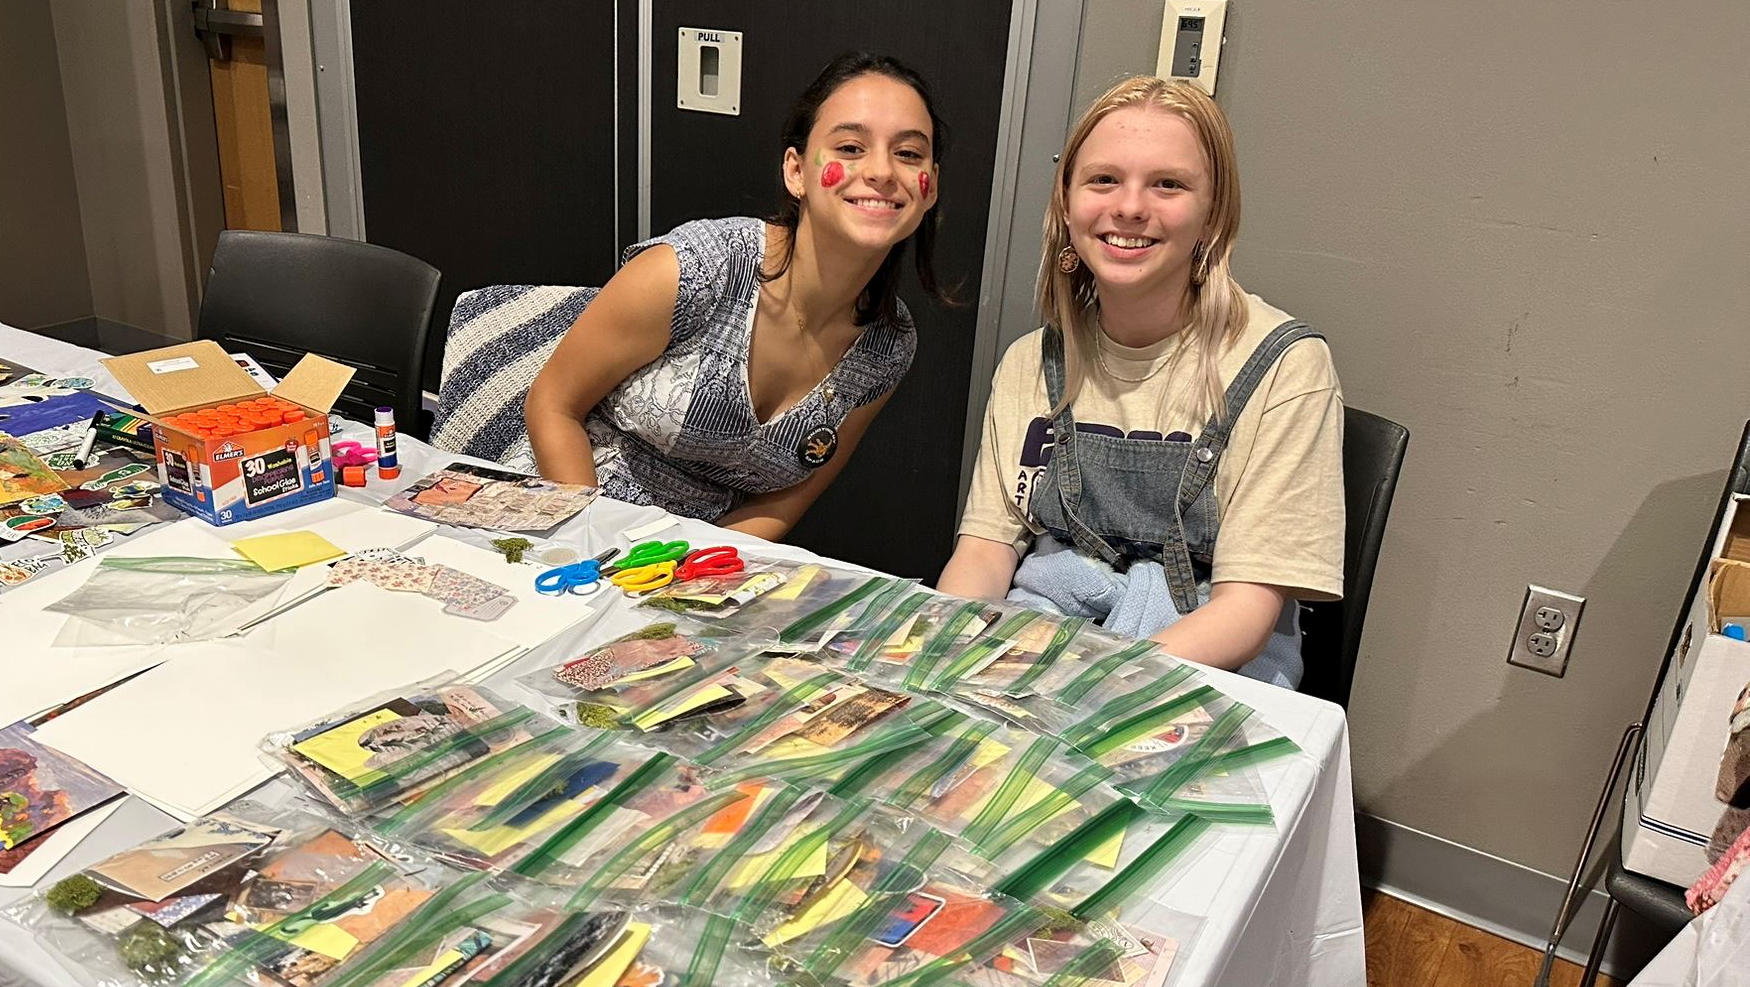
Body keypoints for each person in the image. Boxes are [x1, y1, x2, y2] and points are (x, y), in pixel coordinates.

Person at [938, 75, 1343, 687]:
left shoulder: (1285, 367)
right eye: (1104, 179)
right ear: (1067, 204)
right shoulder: (1030, 362)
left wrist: (1092, 689)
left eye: (1168, 185)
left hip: (1202, 677)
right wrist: (941, 655)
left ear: (1213, 214)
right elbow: (985, 552)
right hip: (1035, 647)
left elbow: (1244, 614)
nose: (1129, 207)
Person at [521, 51, 947, 540]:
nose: (882, 171)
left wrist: (693, 578)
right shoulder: (697, 268)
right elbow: (553, 403)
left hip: (692, 566)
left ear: (930, 187)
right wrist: (590, 555)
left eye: (909, 153)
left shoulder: (889, 345)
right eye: (850, 147)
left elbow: (787, 498)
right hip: (560, 517)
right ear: (796, 172)